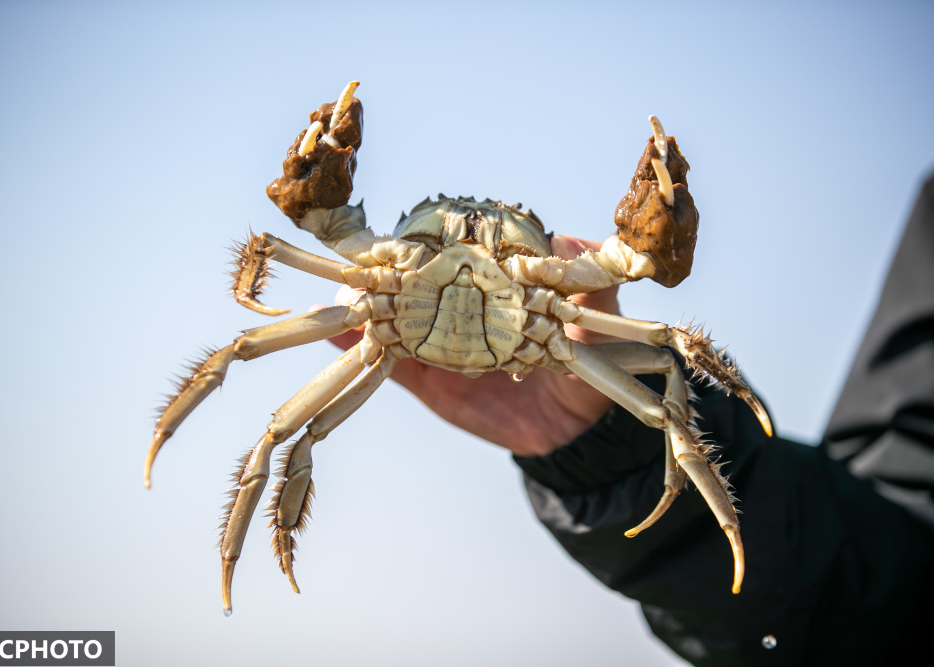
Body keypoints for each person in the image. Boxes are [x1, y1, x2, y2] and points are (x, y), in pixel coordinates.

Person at [330, 175, 934, 665]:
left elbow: (670, 346)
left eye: (499, 225)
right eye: (446, 223)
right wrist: (613, 455)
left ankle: (704, 513)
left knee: (671, 360)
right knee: (289, 430)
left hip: (553, 352)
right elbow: (879, 583)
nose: (470, 233)